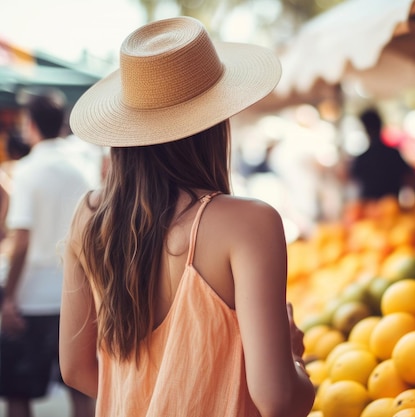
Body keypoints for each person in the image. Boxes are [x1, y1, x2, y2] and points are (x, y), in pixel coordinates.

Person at [59, 16, 315, 417]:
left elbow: (75, 368)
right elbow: (278, 400)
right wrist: (294, 356)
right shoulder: (249, 223)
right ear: (217, 122)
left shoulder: (90, 216)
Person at [0, 90, 95, 417]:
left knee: (16, 392)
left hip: (32, 298)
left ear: (31, 125)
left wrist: (8, 298)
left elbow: (22, 240)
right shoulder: (84, 166)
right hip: (79, 292)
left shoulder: (27, 170)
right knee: (83, 389)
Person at [349, 108, 415, 202]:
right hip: (391, 207)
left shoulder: (362, 158)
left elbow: (352, 180)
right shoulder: (393, 154)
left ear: (365, 128)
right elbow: (411, 178)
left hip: (372, 209)